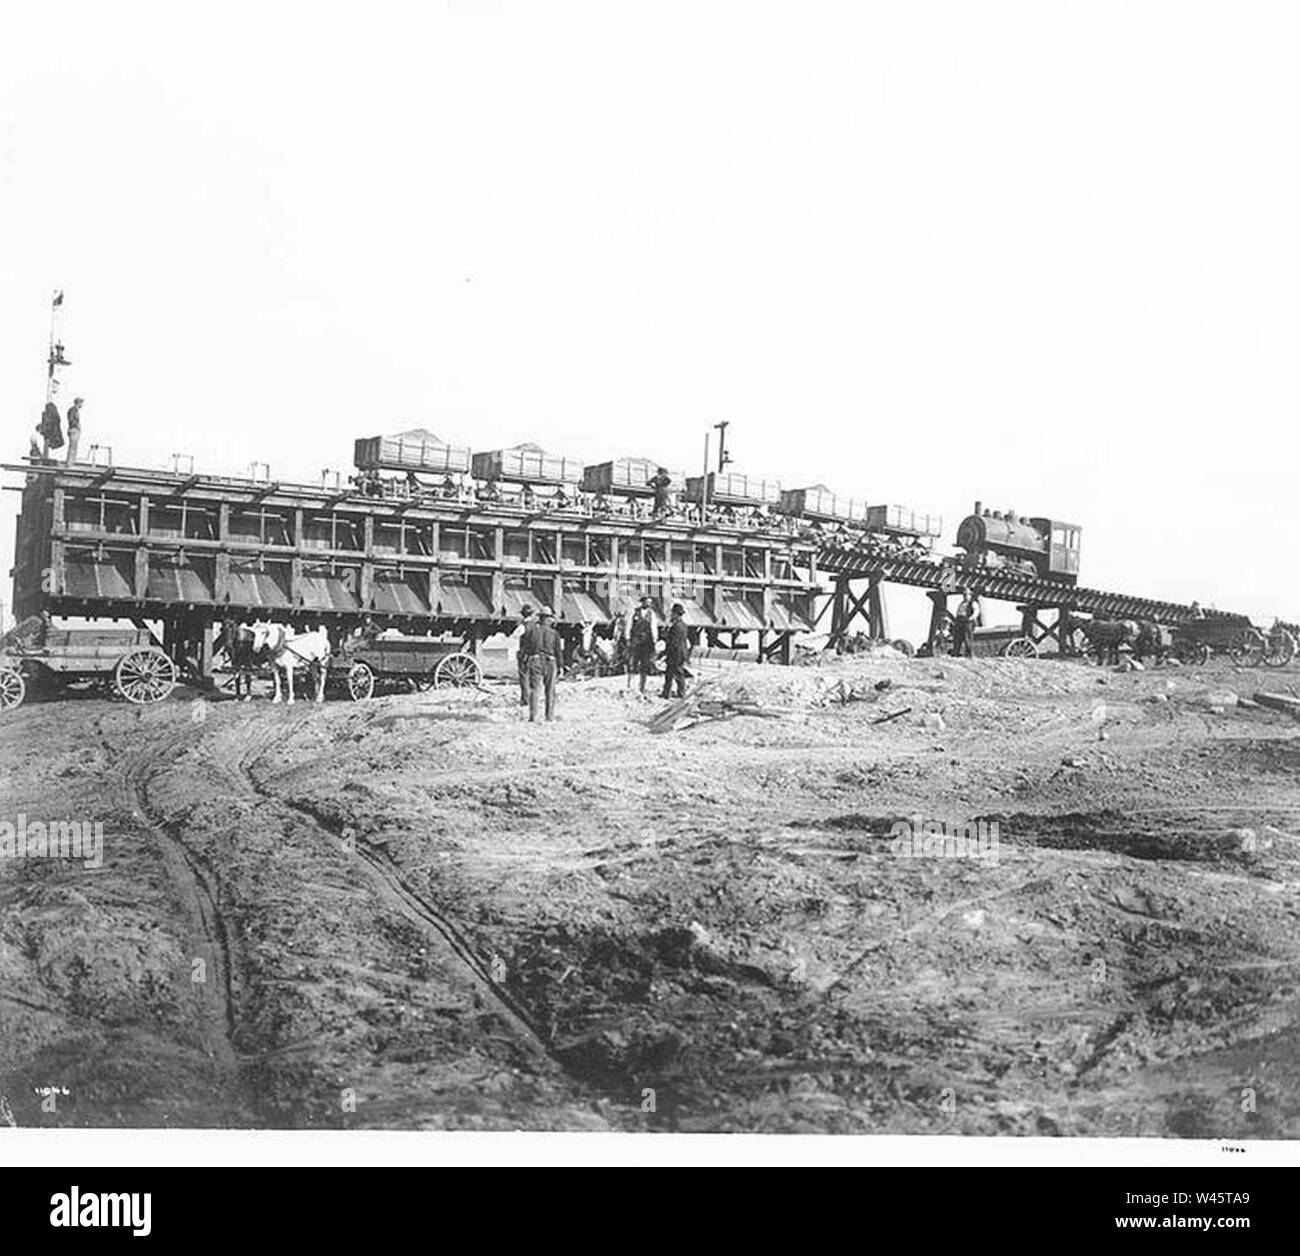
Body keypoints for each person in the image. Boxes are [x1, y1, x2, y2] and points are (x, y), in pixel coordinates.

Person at [520, 606, 562, 722]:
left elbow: (526, 648)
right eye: (550, 618)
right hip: (550, 661)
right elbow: (558, 651)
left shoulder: (532, 631)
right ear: (547, 619)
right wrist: (561, 666)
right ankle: (549, 717)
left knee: (535, 689)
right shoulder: (554, 633)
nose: (551, 621)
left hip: (535, 661)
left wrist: (525, 661)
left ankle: (533, 717)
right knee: (550, 690)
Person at [626, 595, 658, 694]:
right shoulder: (634, 612)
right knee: (632, 663)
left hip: (646, 642)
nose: (648, 604)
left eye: (650, 602)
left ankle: (642, 687)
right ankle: (630, 686)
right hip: (635, 641)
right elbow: (629, 625)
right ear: (642, 602)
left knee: (645, 665)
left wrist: (655, 640)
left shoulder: (652, 614)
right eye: (646, 602)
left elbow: (654, 628)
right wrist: (627, 638)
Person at [662, 602, 691, 699]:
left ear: (676, 614)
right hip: (680, 652)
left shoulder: (676, 627)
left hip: (676, 653)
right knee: (670, 673)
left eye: (672, 613)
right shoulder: (682, 625)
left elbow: (673, 643)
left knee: (677, 673)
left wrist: (665, 653)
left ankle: (681, 693)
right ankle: (667, 693)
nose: (671, 615)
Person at [511, 605, 535, 706]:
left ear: (522, 615)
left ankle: (525, 700)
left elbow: (514, 636)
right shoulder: (535, 626)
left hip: (524, 655)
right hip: (534, 655)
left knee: (524, 677)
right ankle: (533, 699)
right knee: (532, 677)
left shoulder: (522, 626)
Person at [65, 397, 83, 464]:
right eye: (81, 403)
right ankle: (70, 463)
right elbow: (71, 420)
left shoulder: (75, 410)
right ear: (78, 403)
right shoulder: (73, 410)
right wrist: (77, 425)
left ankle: (71, 462)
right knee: (73, 447)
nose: (81, 405)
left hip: (74, 430)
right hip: (73, 430)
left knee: (74, 447)